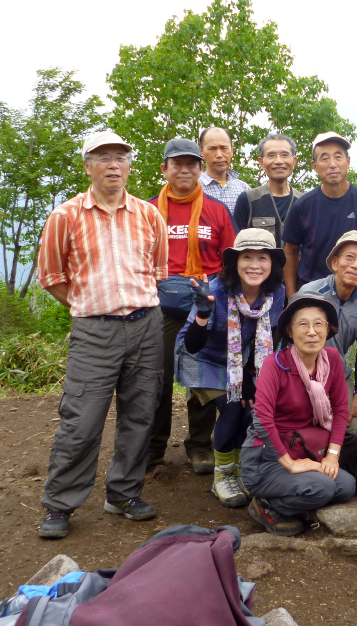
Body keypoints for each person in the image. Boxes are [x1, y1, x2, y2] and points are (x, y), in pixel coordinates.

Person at [36, 131, 168, 539]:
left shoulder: (149, 215)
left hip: (146, 326)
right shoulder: (66, 216)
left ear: (130, 164)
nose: (113, 164)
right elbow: (52, 277)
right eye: (103, 157)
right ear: (87, 165)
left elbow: (158, 272)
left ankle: (123, 494)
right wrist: (88, 306)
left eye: (121, 156)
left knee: (141, 414)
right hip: (94, 331)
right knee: (81, 419)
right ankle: (61, 504)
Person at [177, 228, 287, 508]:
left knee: (251, 408)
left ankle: (240, 468)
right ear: (234, 263)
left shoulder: (275, 292)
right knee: (232, 406)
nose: (254, 265)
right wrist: (203, 312)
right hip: (203, 357)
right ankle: (222, 475)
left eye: (262, 258)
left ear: (272, 264)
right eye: (246, 257)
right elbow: (192, 344)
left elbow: (270, 337)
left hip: (244, 361)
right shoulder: (215, 291)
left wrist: (253, 379)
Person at [147, 138, 236, 476]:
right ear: (165, 169)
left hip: (205, 303)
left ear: (201, 169)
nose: (184, 170)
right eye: (176, 163)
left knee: (202, 375)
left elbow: (230, 261)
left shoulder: (217, 210)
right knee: (158, 377)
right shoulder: (149, 210)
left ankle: (199, 446)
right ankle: (154, 448)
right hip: (159, 305)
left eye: (191, 164)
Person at [240, 293, 356, 535]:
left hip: (303, 449)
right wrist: (290, 464)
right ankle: (266, 505)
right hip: (266, 459)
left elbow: (341, 409)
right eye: (303, 324)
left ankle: (296, 501)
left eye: (319, 323)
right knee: (323, 488)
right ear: (290, 332)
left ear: (328, 329)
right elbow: (262, 419)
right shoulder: (275, 364)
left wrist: (332, 456)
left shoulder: (332, 359)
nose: (312, 331)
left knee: (346, 486)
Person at [297, 232, 357, 489]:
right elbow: (292, 341)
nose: (356, 265)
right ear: (335, 262)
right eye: (350, 258)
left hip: (338, 374)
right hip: (302, 370)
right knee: (303, 417)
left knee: (354, 430)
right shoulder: (310, 293)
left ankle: (331, 467)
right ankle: (301, 467)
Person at [281, 132, 357, 298]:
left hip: (355, 291)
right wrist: (293, 297)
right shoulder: (302, 206)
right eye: (325, 158)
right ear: (314, 166)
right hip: (311, 291)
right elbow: (290, 252)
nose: (332, 164)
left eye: (338, 157)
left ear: (348, 162)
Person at [233, 133, 303, 246]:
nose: (279, 161)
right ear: (261, 162)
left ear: (294, 161)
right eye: (271, 155)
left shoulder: (304, 202)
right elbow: (236, 244)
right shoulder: (248, 200)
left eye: (285, 155)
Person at [198, 126, 250, 210]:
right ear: (201, 152)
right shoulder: (193, 187)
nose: (219, 155)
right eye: (212, 149)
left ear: (232, 151)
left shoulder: (244, 189)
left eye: (224, 148)